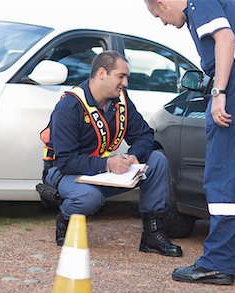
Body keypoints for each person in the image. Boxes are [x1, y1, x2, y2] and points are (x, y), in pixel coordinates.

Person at [145, 0, 235, 285]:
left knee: (223, 173)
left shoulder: (197, 3)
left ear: (162, 2)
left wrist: (218, 91)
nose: (165, 22)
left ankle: (218, 262)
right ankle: (232, 260)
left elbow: (225, 38)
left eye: (160, 16)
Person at [40, 50, 182, 257]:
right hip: (65, 172)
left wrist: (134, 156)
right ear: (101, 74)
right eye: (121, 76)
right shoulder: (68, 107)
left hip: (101, 171)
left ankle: (153, 235)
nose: (125, 83)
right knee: (88, 197)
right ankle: (66, 221)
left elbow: (145, 135)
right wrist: (108, 164)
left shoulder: (120, 100)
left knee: (157, 160)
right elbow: (66, 161)